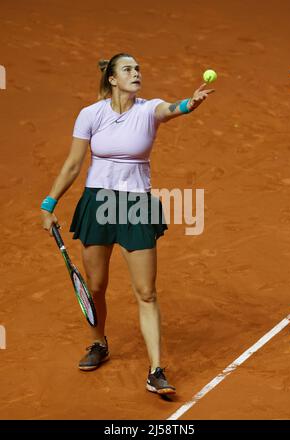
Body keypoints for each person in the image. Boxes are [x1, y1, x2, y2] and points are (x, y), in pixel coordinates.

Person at [41, 52, 214, 395]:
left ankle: (155, 369)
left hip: (136, 206)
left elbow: (170, 109)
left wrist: (188, 104)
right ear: (112, 79)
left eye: (138, 69)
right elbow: (74, 163)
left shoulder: (148, 110)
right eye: (128, 69)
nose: (137, 74)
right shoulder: (91, 114)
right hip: (98, 204)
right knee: (97, 286)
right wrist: (49, 203)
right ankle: (98, 343)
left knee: (146, 292)